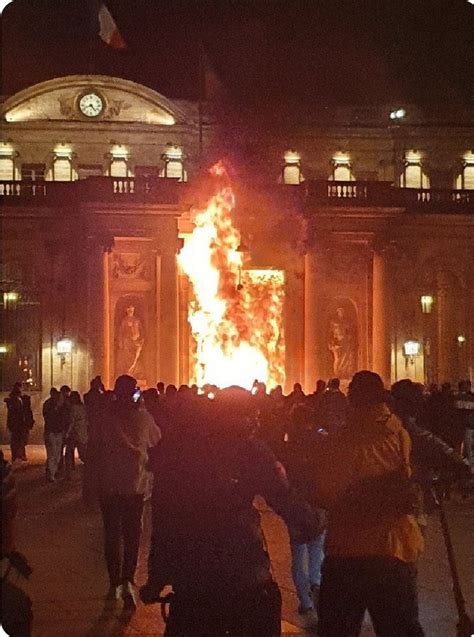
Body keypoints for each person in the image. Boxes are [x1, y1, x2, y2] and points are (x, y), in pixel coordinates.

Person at [140, 386, 324, 636]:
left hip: (193, 578)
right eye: (253, 415)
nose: (257, 422)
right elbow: (285, 499)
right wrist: (315, 521)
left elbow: (164, 521)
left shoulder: (181, 452)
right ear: (243, 416)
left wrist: (157, 578)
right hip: (243, 573)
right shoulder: (250, 451)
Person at [314, 371, 425, 637]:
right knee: (401, 628)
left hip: (349, 551)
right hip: (395, 547)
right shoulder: (399, 433)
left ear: (353, 398)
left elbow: (330, 492)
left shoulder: (344, 441)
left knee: (337, 629)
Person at [87, 374, 161, 609]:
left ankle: (114, 580)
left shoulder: (104, 417)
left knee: (111, 533)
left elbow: (94, 446)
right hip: (134, 484)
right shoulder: (143, 417)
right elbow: (157, 440)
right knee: (132, 535)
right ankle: (128, 578)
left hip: (108, 484)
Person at [4, 383, 34, 463]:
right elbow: (12, 413)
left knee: (23, 439)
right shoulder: (12, 400)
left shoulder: (24, 399)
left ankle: (21, 454)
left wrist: (30, 422)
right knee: (16, 440)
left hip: (23, 424)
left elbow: (28, 411)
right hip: (16, 424)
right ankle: (16, 456)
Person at [64, 391, 88, 479]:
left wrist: (67, 433)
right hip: (82, 432)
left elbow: (72, 422)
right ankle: (89, 469)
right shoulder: (83, 407)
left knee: (69, 454)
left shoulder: (73, 408)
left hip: (74, 434)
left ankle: (69, 474)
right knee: (83, 453)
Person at [42, 388, 63, 482]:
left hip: (57, 432)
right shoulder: (49, 405)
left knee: (56, 454)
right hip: (51, 432)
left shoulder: (58, 405)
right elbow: (47, 417)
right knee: (52, 453)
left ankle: (52, 472)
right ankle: (51, 473)